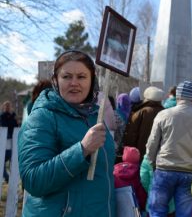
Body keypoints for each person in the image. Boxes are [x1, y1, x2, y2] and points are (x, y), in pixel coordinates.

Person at [18, 50, 116, 216]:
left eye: (81, 77)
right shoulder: (43, 117)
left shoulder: (95, 116)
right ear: (55, 80)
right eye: (67, 76)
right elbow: (33, 180)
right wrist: (82, 149)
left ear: (92, 81)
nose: (74, 83)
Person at [146, 80, 192, 217]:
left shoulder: (163, 115)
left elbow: (152, 143)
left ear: (177, 96)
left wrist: (152, 162)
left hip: (164, 169)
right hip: (189, 172)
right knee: (184, 214)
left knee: (157, 211)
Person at [122, 86, 165, 161]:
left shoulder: (139, 113)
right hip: (160, 157)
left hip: (139, 156)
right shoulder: (166, 113)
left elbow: (131, 136)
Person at [114, 146, 147, 211]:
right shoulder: (138, 172)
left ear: (124, 157)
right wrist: (142, 206)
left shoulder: (114, 169)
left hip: (116, 204)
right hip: (133, 207)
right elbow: (141, 194)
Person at [1, 101, 19, 183]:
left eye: (9, 106)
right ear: (4, 107)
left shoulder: (13, 116)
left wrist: (13, 119)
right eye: (6, 106)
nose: (8, 108)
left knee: (12, 160)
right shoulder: (2, 116)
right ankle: (6, 176)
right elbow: (3, 125)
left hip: (13, 139)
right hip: (5, 140)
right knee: (2, 160)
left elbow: (15, 125)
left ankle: (11, 178)